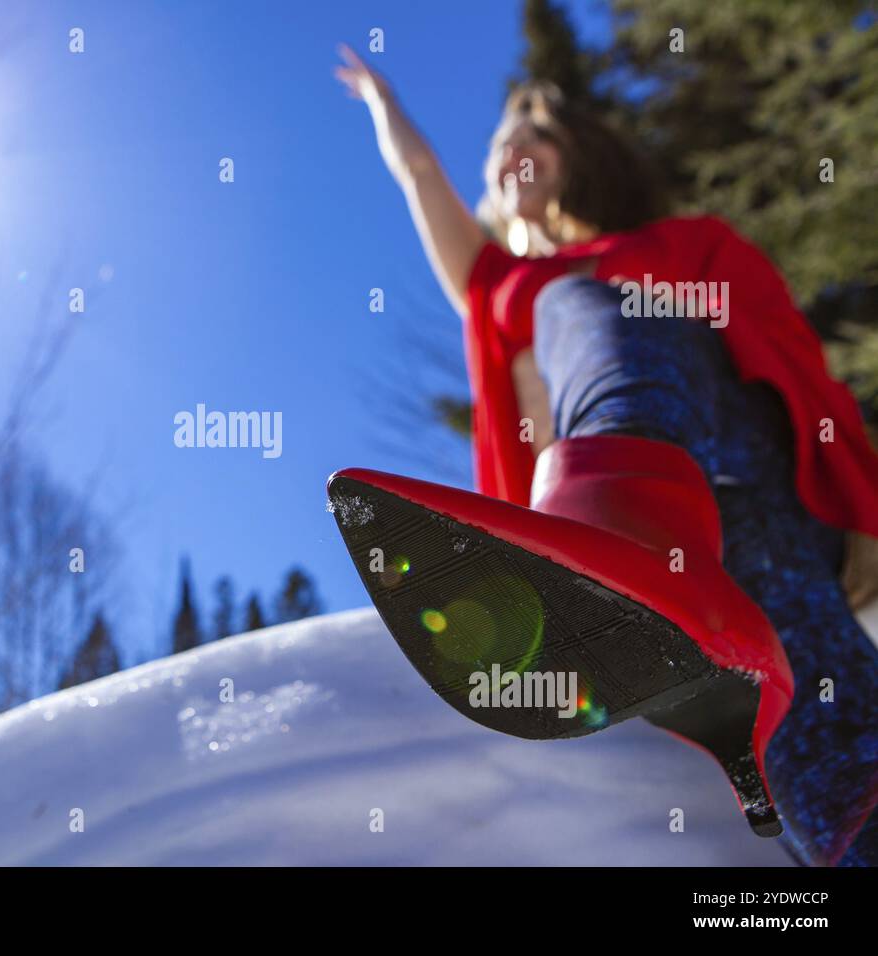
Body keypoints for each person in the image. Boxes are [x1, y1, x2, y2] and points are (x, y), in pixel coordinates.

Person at [330, 45, 878, 866]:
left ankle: (625, 541)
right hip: (704, 561)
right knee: (835, 760)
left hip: (745, 476)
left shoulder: (683, 244)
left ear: (576, 157)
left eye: (536, 136)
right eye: (501, 143)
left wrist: (864, 507)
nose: (515, 150)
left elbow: (792, 362)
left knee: (591, 300)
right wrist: (382, 101)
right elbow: (416, 173)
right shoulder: (494, 279)